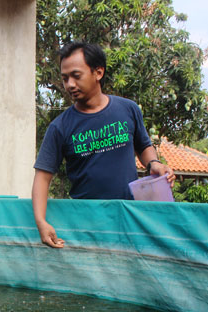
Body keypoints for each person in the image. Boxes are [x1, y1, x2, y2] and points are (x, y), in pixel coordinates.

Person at [32, 41, 175, 249]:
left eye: (76, 76)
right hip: (87, 224)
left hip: (128, 218)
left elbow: (143, 146)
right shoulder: (60, 127)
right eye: (65, 78)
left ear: (98, 72)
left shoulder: (128, 110)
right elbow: (42, 177)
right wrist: (41, 221)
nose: (70, 84)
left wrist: (153, 162)